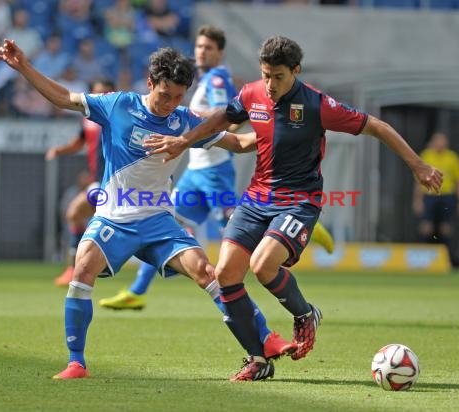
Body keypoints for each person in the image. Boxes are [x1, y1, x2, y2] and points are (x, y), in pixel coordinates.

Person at [143, 35, 444, 381]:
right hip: (256, 198)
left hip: (300, 201)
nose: (270, 85)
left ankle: (304, 314)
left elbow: (376, 126)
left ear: (296, 71)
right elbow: (220, 119)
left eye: (279, 77)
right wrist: (183, 141)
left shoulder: (318, 105)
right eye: (266, 75)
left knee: (262, 265)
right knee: (225, 275)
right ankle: (257, 360)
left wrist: (418, 165)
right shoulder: (252, 94)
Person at [0, 39, 297, 380]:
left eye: (178, 97)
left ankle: (265, 337)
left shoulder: (185, 121)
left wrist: (282, 126)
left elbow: (240, 143)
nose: (170, 104)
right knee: (82, 271)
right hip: (114, 217)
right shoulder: (117, 105)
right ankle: (76, 363)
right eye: (164, 95)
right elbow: (64, 98)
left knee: (208, 274)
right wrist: (23, 67)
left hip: (158, 222)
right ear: (150, 82)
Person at [99, 25, 334, 312]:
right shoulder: (203, 80)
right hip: (195, 171)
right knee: (169, 227)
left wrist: (202, 127)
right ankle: (137, 290)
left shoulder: (218, 79)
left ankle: (303, 227)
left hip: (215, 169)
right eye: (199, 46)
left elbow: (227, 115)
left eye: (208, 48)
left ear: (220, 53)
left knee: (237, 232)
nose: (202, 52)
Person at [45, 78, 116, 286]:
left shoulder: (117, 116)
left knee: (78, 215)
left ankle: (78, 268)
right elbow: (80, 142)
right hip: (98, 181)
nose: (100, 98)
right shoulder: (88, 118)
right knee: (75, 215)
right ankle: (76, 268)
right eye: (96, 94)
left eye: (105, 93)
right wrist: (61, 150)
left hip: (114, 181)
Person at [413, 131, 459, 265]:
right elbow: (417, 181)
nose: (440, 143)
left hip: (447, 196)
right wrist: (417, 200)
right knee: (426, 227)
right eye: (437, 140)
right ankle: (422, 261)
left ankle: (447, 260)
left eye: (442, 140)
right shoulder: (426, 155)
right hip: (429, 196)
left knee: (446, 228)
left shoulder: (452, 158)